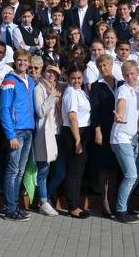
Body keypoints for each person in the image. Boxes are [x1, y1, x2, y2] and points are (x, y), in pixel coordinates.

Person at [0, 49, 36, 221]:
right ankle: (9, 209)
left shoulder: (30, 80)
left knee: (20, 171)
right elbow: (4, 109)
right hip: (16, 132)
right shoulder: (9, 80)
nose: (22, 63)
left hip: (28, 130)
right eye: (19, 60)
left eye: (25, 60)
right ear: (15, 61)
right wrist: (10, 134)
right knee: (13, 170)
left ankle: (15, 206)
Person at [111, 60, 139, 224]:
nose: (130, 77)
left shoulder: (138, 91)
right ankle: (121, 211)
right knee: (131, 175)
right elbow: (121, 105)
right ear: (123, 76)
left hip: (133, 139)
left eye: (132, 74)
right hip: (121, 138)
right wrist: (120, 115)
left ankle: (125, 204)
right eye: (126, 75)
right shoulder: (123, 90)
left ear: (138, 73)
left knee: (138, 174)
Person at [61, 64, 92, 219]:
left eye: (79, 78)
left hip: (83, 132)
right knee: (74, 172)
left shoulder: (81, 91)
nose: (77, 81)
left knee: (78, 172)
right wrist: (78, 141)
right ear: (68, 78)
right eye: (73, 78)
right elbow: (73, 117)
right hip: (74, 133)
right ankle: (72, 207)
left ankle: (76, 204)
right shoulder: (71, 93)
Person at [89, 54, 119, 217]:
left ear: (111, 65)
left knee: (114, 167)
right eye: (100, 66)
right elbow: (95, 111)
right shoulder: (96, 86)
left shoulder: (120, 83)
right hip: (103, 129)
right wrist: (97, 130)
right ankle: (105, 202)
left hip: (118, 130)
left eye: (105, 65)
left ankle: (112, 199)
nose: (103, 68)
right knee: (103, 167)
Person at [33, 64, 62, 217]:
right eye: (49, 72)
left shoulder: (58, 87)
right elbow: (40, 111)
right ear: (44, 72)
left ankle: (46, 196)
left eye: (54, 73)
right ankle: (43, 202)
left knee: (59, 172)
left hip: (58, 133)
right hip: (45, 133)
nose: (51, 75)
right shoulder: (39, 88)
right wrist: (51, 96)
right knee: (43, 169)